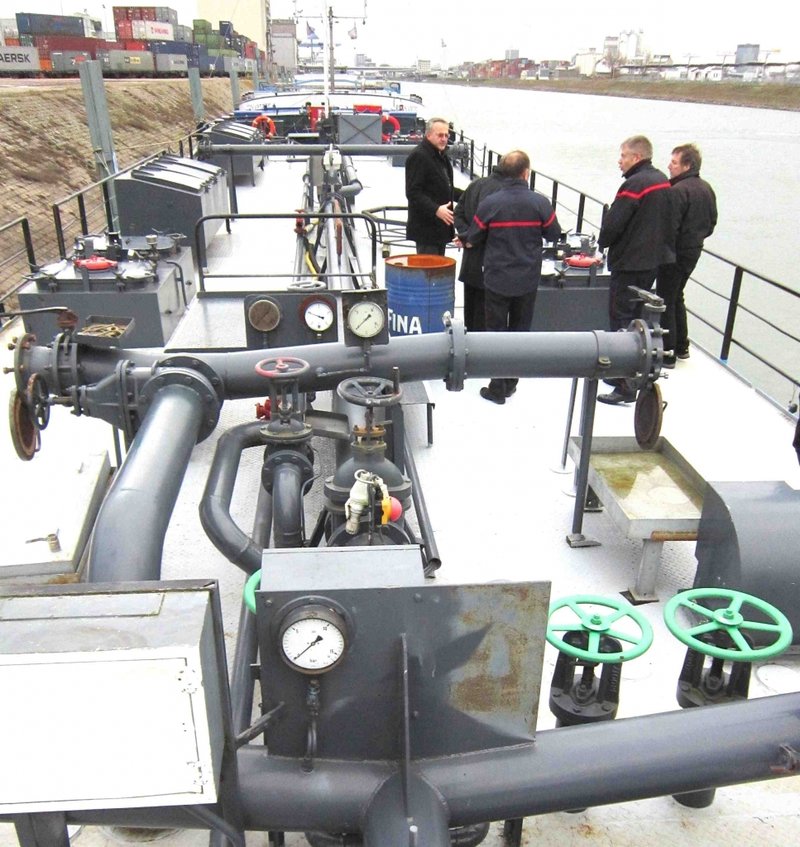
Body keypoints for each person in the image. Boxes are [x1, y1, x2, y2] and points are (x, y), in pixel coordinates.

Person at [465, 150, 561, 404]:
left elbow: (473, 237)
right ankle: (511, 382)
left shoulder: (490, 204)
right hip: (527, 279)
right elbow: (554, 233)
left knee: (496, 333)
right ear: (526, 173)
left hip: (497, 278)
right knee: (520, 332)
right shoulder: (540, 203)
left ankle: (497, 387)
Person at [597, 135, 673, 405]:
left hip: (630, 262)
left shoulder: (634, 185)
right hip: (651, 261)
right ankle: (625, 373)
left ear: (636, 157)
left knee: (622, 320)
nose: (620, 161)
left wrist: (603, 242)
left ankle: (624, 385)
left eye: (623, 155)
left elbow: (614, 224)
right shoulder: (663, 180)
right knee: (638, 319)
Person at [656, 144, 718, 365]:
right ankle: (682, 346)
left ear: (687, 165)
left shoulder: (677, 191)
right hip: (693, 251)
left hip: (674, 253)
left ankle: (668, 352)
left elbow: (669, 227)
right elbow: (712, 223)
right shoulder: (706, 188)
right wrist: (695, 239)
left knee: (666, 298)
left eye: (674, 162)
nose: (669, 166)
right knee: (677, 295)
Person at [453, 164, 506, 331]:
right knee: (485, 319)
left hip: (470, 262)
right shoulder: (504, 193)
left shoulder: (475, 185)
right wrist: (472, 238)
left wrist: (467, 236)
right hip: (491, 264)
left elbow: (458, 212)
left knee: (470, 312)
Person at [405, 117, 456, 255]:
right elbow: (413, 192)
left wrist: (470, 194)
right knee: (429, 268)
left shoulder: (441, 156)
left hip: (440, 230)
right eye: (440, 135)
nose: (444, 139)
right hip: (426, 231)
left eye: (446, 135)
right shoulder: (419, 156)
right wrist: (436, 209)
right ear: (428, 135)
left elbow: (445, 187)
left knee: (439, 267)